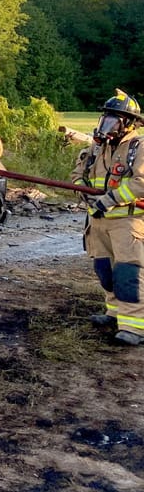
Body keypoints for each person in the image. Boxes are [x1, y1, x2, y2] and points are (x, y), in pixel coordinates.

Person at [71, 89, 144, 346]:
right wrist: (83, 190)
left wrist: (109, 199)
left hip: (127, 221)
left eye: (114, 119)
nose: (107, 125)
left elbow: (141, 183)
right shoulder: (96, 147)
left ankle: (134, 326)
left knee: (127, 273)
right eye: (106, 118)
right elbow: (77, 174)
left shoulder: (139, 147)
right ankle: (113, 312)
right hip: (98, 220)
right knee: (104, 270)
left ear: (128, 123)